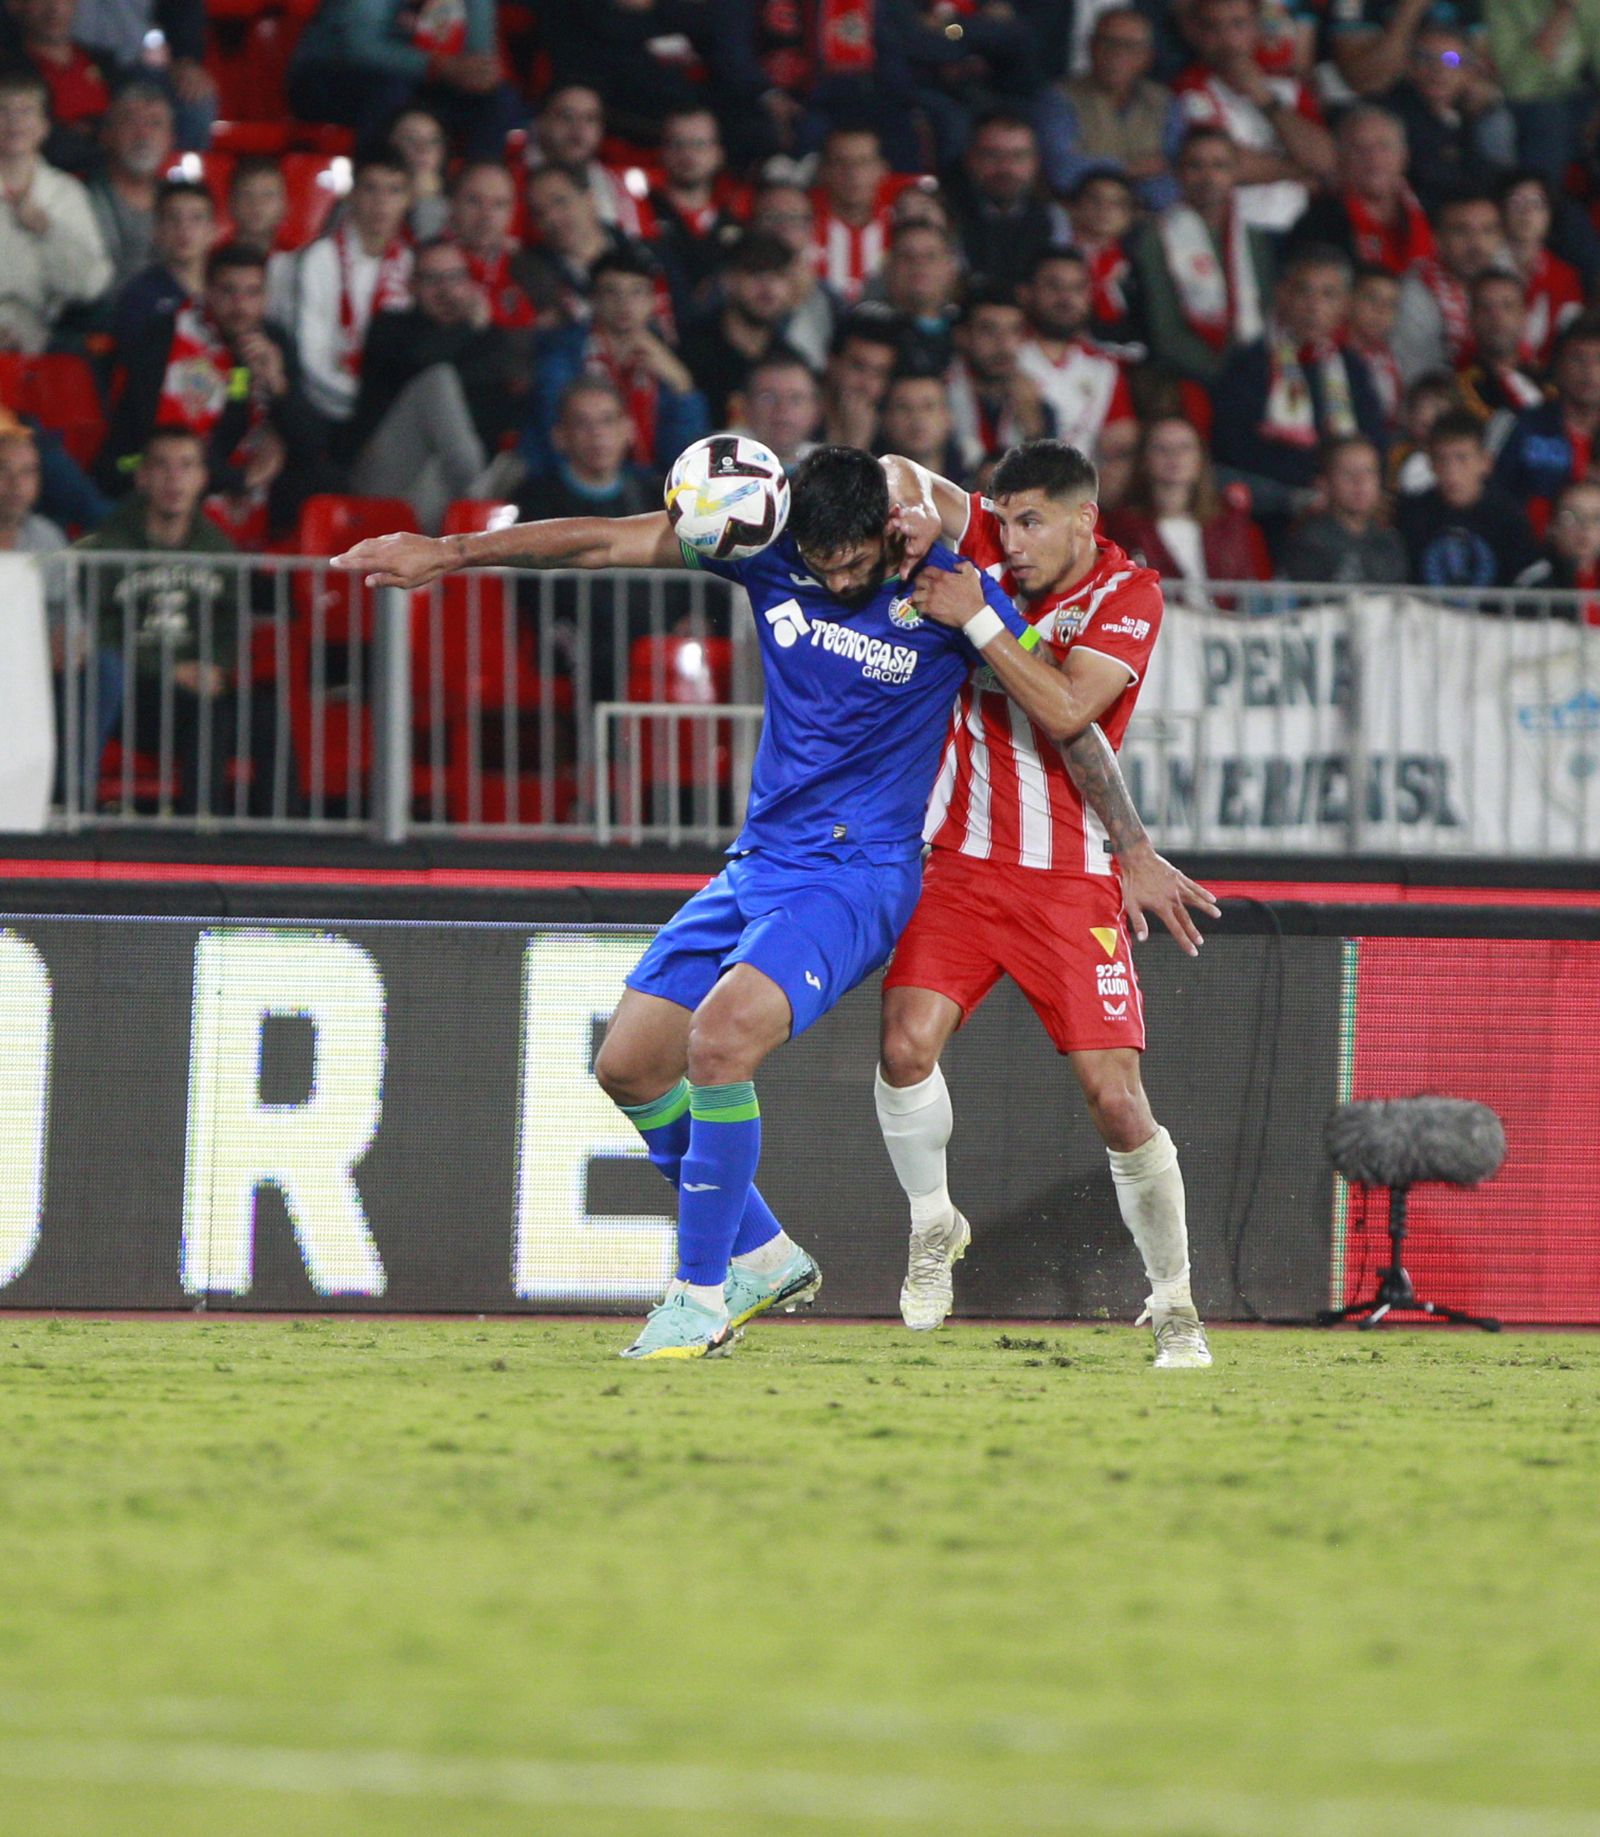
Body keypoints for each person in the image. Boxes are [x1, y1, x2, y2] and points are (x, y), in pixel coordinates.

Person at [329, 443, 1045, 1360]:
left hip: (856, 874)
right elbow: (603, 543)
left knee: (719, 1041)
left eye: (855, 564)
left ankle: (698, 1297)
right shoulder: (764, 544)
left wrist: (972, 589)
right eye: (820, 565)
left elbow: (1048, 681)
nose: (835, 581)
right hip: (758, 864)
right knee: (628, 1066)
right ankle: (762, 1252)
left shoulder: (950, 588)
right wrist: (449, 551)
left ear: (886, 532)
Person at [875, 437, 1220, 1366]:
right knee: (904, 1047)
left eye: (1033, 522)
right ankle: (932, 1224)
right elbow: (902, 469)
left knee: (1115, 1100)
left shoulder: (1127, 595)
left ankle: (1176, 1301)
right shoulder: (984, 541)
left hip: (1069, 877)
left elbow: (1070, 710)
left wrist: (978, 618)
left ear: (1084, 520)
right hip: (958, 862)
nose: (1013, 541)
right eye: (1005, 519)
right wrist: (905, 506)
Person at [76, 425, 277, 817]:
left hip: (199, 684)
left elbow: (229, 625)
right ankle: (198, 837)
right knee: (207, 711)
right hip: (132, 694)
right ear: (143, 477)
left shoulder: (218, 547)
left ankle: (285, 843)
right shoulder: (108, 543)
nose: (174, 479)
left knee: (267, 713)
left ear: (202, 479)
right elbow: (97, 628)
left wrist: (215, 667)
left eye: (186, 467)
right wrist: (167, 670)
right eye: (162, 467)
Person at [100, 242, 335, 545]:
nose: (240, 305)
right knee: (176, 477)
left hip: (242, 468)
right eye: (228, 291)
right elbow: (164, 439)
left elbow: (310, 443)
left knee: (325, 479)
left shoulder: (273, 341)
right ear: (207, 292)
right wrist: (240, 480)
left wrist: (278, 386)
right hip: (154, 466)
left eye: (252, 293)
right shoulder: (168, 336)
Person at [340, 235, 522, 530]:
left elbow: (493, 409)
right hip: (384, 480)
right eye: (432, 280)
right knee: (438, 380)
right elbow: (421, 360)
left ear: (469, 284)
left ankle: (470, 509)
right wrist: (467, 327)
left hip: (438, 488)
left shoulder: (489, 339)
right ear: (412, 286)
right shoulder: (390, 326)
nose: (446, 290)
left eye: (455, 278)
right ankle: (478, 500)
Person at [1211, 246, 1388, 528]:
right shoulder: (1251, 362)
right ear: (1283, 295)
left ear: (1344, 305)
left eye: (1328, 295)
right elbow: (1234, 445)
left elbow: (1373, 437)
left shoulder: (1353, 368)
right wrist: (1315, 481)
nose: (1314, 306)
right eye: (1304, 292)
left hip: (1342, 499)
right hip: (1274, 508)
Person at [522, 246, 708, 482]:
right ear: (593, 300)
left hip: (650, 490)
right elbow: (554, 434)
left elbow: (688, 455)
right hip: (573, 487)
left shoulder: (667, 359)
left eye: (636, 292)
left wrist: (682, 386)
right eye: (612, 292)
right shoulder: (563, 353)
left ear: (653, 302)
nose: (625, 303)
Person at [0, 427, 116, 806]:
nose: (16, 484)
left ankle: (70, 799)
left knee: (104, 669)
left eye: (28, 472)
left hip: (37, 671)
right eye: (4, 471)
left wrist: (68, 642)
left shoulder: (48, 538)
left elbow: (71, 612)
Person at [271, 151, 414, 428]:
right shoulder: (318, 260)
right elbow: (309, 366)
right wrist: (370, 406)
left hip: (388, 414)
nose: (381, 203)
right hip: (324, 412)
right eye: (370, 189)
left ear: (408, 200)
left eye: (394, 191)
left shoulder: (411, 265)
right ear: (352, 195)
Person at [287, 0, 523, 162]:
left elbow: (480, 56)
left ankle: (474, 196)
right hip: (331, 74)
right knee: (391, 93)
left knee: (498, 100)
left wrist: (480, 72)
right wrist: (439, 65)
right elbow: (360, 47)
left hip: (422, 80)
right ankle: (381, 194)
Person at [1172, 0, 1335, 233]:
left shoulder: (1288, 86)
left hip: (1297, 228)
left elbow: (1326, 158)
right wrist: (1306, 168)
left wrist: (1263, 97)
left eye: (1237, 24)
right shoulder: (1188, 88)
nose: (1226, 37)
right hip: (1228, 230)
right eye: (1213, 27)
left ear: (1256, 28)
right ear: (1198, 33)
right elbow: (1223, 167)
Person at [1133, 124, 1274, 388]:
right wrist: (1226, 376)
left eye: (1219, 166)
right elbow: (1166, 330)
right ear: (1178, 173)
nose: (1208, 177)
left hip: (1255, 373)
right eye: (1195, 166)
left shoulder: (1254, 238)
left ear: (1235, 173)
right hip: (1185, 377)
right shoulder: (1156, 237)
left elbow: (1267, 312)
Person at [0, 67, 112, 353]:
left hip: (38, 336)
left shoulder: (66, 194)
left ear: (43, 126)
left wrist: (47, 231)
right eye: (3, 111)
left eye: (25, 111)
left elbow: (92, 283)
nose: (14, 122)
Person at [1035, 8, 1181, 210]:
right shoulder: (1060, 98)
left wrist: (1096, 165)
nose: (1117, 53)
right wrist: (1131, 168)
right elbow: (1064, 172)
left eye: (1130, 46)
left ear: (1148, 56)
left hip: (1147, 218)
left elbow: (1172, 175)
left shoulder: (1164, 102)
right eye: (1108, 42)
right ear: (1091, 46)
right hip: (1079, 219)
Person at [1104, 412, 1271, 586]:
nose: (1174, 456)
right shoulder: (1123, 524)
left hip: (1223, 614)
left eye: (1184, 447)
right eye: (1161, 448)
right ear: (1145, 460)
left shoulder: (1226, 522)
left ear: (1200, 458)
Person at [1285, 105, 1432, 278]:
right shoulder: (1319, 223)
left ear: (1404, 155)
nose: (1373, 158)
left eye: (1383, 146)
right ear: (1341, 158)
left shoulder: (1433, 206)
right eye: (1359, 148)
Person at [1017, 248, 1136, 456]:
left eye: (1077, 288)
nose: (1066, 298)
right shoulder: (1007, 355)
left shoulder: (1104, 368)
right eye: (1054, 286)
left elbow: (1119, 443)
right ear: (1027, 292)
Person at [1399, 408, 1537, 588]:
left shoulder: (1508, 517)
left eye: (1462, 458)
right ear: (1431, 465)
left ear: (1485, 462)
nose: (1451, 471)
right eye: (1442, 459)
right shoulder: (1412, 514)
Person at [1387, 23, 1514, 215]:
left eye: (1451, 60)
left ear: (1468, 70)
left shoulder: (1469, 115)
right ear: (1409, 66)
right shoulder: (1392, 116)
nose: (1438, 69)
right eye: (1425, 58)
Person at [1493, 313, 1600, 539]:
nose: (1589, 371)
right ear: (1558, 367)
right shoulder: (1521, 426)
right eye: (1578, 359)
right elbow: (1492, 500)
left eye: (1599, 359)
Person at [678, 232, 801, 428]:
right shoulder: (688, 350)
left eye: (778, 276)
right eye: (755, 273)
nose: (768, 288)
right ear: (728, 281)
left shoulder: (789, 360)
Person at [945, 111, 1070, 295]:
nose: (1005, 167)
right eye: (992, 155)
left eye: (1018, 156)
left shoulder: (1053, 217)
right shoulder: (946, 212)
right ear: (970, 159)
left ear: (1035, 162)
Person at [1391, 190, 1508, 384]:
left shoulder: (1507, 280)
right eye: (1461, 231)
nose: (1476, 244)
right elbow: (1419, 381)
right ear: (1437, 239)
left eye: (1488, 230)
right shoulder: (1415, 294)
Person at [946, 284, 1054, 480]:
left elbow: (1051, 488)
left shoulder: (1039, 408)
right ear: (962, 336)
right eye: (989, 330)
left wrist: (1035, 433)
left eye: (1013, 331)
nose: (1003, 344)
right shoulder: (935, 400)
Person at [648, 106, 743, 325]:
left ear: (718, 154)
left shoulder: (737, 226)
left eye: (699, 144)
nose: (688, 154)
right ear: (662, 151)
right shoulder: (640, 214)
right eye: (677, 144)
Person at [1278, 434, 1408, 585]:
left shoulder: (1389, 542)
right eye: (1347, 473)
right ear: (1324, 483)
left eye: (1369, 472)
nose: (1360, 482)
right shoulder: (1308, 544)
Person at [86, 80, 175, 295]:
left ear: (171, 139)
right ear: (107, 134)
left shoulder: (180, 201)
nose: (143, 135)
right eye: (130, 122)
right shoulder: (79, 199)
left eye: (155, 123)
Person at [112, 175, 213, 354]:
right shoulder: (138, 295)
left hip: (227, 381)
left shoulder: (228, 289)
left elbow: (238, 360)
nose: (184, 229)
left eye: (196, 219)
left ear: (211, 230)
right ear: (157, 230)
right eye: (174, 218)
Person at [1501, 170, 1583, 368]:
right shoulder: (1482, 267)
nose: (1526, 212)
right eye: (1516, 203)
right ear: (1500, 210)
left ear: (1549, 214)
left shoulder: (1565, 277)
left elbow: (1570, 340)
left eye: (1536, 203)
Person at [810, 125, 896, 306]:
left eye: (863, 162)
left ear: (882, 169)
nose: (852, 173)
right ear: (823, 171)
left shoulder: (901, 229)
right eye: (841, 162)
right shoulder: (802, 228)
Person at [1456, 271, 1544, 447]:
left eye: (1507, 306)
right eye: (1485, 308)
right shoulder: (1454, 389)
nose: (1497, 317)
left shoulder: (1550, 383)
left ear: (1524, 316)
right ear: (1471, 318)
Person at [864, 220, 961, 371]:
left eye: (930, 256)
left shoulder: (966, 325)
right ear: (888, 269)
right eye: (906, 256)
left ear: (950, 270)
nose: (918, 264)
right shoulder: (866, 326)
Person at [1513, 478, 1600, 620]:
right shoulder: (1536, 581)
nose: (1585, 527)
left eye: (1597, 518)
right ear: (1553, 527)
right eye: (1571, 517)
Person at [736, 352, 821, 473]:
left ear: (815, 410)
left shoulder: (830, 466)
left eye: (795, 399)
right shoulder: (716, 459)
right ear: (746, 408)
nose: (782, 409)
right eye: (768, 398)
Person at [874, 368, 960, 479]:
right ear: (886, 419)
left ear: (948, 418)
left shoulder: (974, 484)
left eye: (928, 407)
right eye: (903, 407)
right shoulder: (870, 486)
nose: (917, 418)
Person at [1347, 263, 1403, 429]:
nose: (1382, 310)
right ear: (1349, 300)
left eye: (1391, 304)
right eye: (1372, 299)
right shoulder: (1329, 351)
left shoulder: (1391, 357)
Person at [387, 105, 450, 239]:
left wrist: (427, 199)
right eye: (411, 139)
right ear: (391, 144)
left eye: (433, 141)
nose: (423, 149)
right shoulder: (367, 194)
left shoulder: (459, 202)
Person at [225, 157, 288, 259]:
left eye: (268, 195)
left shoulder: (298, 262)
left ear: (284, 205)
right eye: (247, 195)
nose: (257, 204)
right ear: (231, 203)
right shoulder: (209, 262)